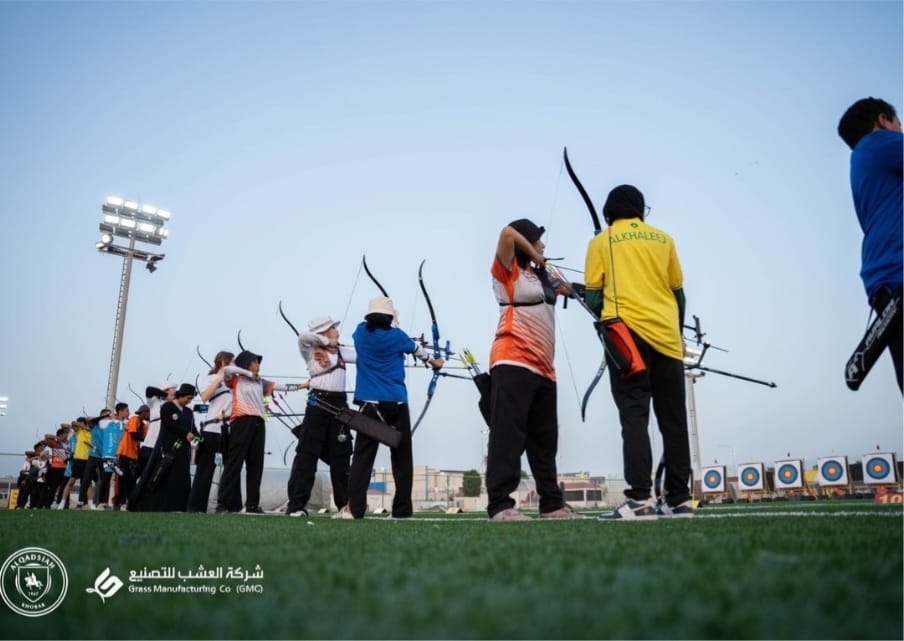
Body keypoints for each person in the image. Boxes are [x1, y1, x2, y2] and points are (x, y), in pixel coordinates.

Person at [584, 185, 692, 519]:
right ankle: (679, 499)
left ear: (607, 214)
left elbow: (593, 298)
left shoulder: (601, 242)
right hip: (668, 339)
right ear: (642, 211)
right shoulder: (664, 239)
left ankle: (640, 498)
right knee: (674, 421)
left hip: (627, 340)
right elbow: (679, 295)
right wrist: (676, 332)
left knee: (634, 416)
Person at [484, 219, 583, 522]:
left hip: (544, 368)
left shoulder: (543, 278)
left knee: (545, 441)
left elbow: (573, 290)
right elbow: (507, 233)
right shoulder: (507, 271)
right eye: (538, 240)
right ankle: (500, 505)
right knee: (508, 436)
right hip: (513, 359)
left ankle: (551, 504)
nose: (543, 245)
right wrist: (535, 254)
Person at [346, 297, 445, 519]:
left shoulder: (360, 333)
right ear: (390, 318)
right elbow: (420, 352)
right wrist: (436, 362)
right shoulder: (398, 337)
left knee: (362, 459)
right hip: (397, 403)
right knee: (402, 458)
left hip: (370, 405)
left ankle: (354, 509)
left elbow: (369, 332)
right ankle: (402, 511)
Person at [837, 97, 903, 392]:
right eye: (899, 124)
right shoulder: (878, 144)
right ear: (882, 120)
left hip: (885, 277)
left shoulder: (863, 160)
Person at [216, 350, 306, 514]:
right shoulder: (236, 379)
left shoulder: (261, 382)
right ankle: (223, 503)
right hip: (241, 422)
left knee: (256, 464)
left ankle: (252, 504)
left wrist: (304, 385)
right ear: (247, 364)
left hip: (258, 422)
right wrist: (248, 373)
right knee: (234, 463)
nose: (258, 365)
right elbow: (227, 370)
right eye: (255, 362)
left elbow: (283, 387)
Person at [286, 316, 353, 518]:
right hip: (318, 405)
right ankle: (296, 506)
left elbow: (365, 356)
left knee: (341, 457)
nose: (337, 332)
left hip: (339, 405)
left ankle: (345, 506)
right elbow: (303, 337)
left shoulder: (341, 351)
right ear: (324, 332)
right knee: (307, 455)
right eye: (333, 328)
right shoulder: (309, 350)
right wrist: (326, 341)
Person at [131, 384, 197, 511]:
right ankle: (137, 501)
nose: (173, 393)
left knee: (161, 474)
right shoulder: (156, 403)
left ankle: (159, 503)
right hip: (151, 444)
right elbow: (149, 390)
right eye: (171, 391)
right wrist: (165, 394)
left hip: (165, 444)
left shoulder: (179, 408)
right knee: (147, 474)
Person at [188, 351, 234, 513]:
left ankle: (227, 505)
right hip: (212, 429)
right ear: (223, 362)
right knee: (205, 469)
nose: (235, 365)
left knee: (230, 468)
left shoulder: (233, 381)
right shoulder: (211, 378)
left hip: (229, 429)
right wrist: (219, 378)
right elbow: (205, 397)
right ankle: (195, 507)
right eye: (232, 362)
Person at [76, 409, 112, 509]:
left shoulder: (110, 426)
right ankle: (80, 502)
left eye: (109, 416)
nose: (108, 417)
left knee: (105, 480)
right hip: (93, 455)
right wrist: (104, 416)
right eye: (106, 415)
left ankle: (102, 503)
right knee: (86, 479)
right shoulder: (94, 424)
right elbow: (88, 419)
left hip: (105, 456)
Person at [114, 404, 148, 510]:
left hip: (133, 455)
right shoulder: (134, 419)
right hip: (124, 452)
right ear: (144, 413)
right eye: (148, 413)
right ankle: (118, 502)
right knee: (122, 478)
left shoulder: (144, 425)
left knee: (131, 479)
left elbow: (144, 439)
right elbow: (133, 434)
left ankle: (130, 502)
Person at [95, 403, 128, 509]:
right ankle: (102, 502)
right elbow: (91, 420)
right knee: (105, 479)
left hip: (121, 455)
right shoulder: (106, 423)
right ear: (120, 411)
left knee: (122, 480)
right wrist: (108, 416)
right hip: (109, 456)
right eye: (126, 410)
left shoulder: (126, 424)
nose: (128, 412)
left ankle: (121, 502)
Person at [59, 418, 90, 509]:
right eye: (78, 423)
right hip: (75, 459)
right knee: (70, 481)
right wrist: (76, 426)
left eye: (81, 423)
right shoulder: (75, 432)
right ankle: (62, 503)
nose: (79, 425)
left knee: (86, 482)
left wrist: (81, 426)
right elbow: (65, 425)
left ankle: (83, 502)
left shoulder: (88, 431)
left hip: (86, 459)